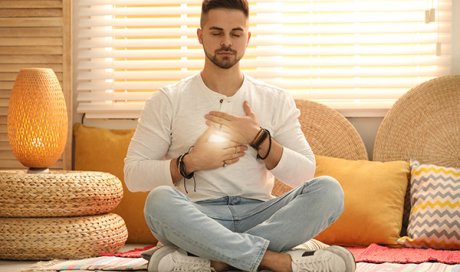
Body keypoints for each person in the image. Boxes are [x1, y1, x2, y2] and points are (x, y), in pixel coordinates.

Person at [124, 0, 356, 271]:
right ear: (200, 36)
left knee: (329, 190)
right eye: (216, 32)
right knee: (159, 201)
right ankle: (277, 261)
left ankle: (214, 260)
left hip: (261, 215)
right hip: (198, 216)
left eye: (235, 33)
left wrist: (259, 139)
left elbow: (305, 173)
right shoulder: (168, 100)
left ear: (247, 38)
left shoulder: (275, 99)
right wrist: (190, 163)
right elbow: (133, 175)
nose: (226, 41)